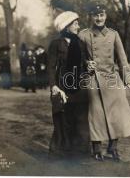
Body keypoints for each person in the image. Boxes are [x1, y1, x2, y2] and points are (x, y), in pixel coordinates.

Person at [79, 3, 130, 162]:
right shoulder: (83, 35)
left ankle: (113, 147)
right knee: (96, 114)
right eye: (95, 15)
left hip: (112, 79)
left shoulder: (113, 35)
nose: (99, 18)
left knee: (116, 115)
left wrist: (128, 80)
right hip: (93, 79)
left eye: (102, 15)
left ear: (106, 16)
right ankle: (97, 148)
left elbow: (123, 60)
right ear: (91, 17)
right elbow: (77, 58)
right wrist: (85, 63)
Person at [48, 11, 89, 156]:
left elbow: (84, 64)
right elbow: (51, 68)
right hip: (61, 88)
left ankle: (78, 152)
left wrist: (88, 66)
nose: (78, 26)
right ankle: (59, 153)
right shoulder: (56, 44)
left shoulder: (80, 43)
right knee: (62, 121)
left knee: (79, 120)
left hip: (79, 89)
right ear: (67, 26)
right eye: (75, 23)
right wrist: (54, 86)